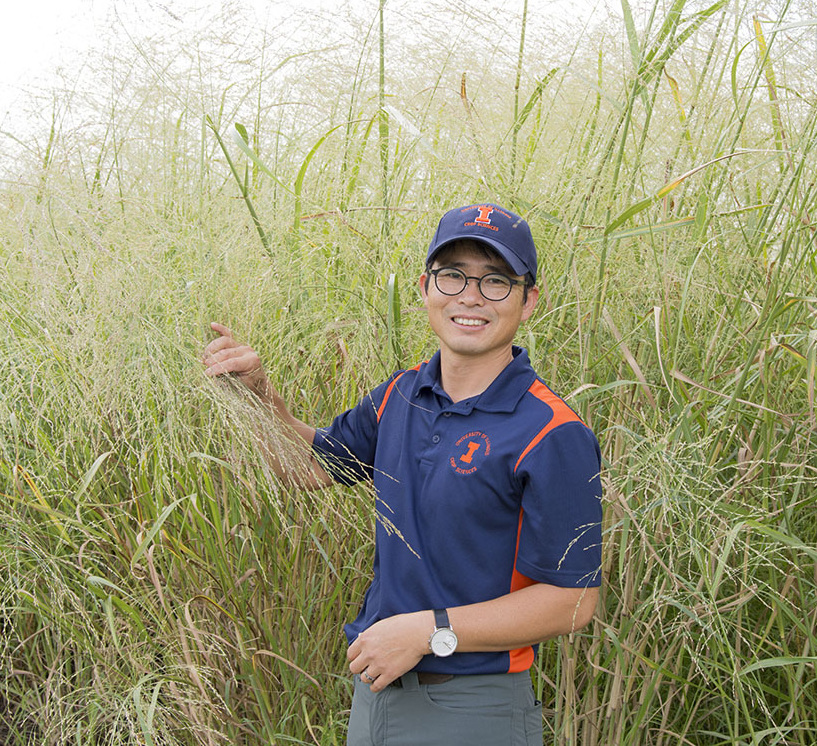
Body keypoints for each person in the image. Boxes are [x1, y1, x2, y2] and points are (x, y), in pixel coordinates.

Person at [203, 203, 602, 745]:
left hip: (471, 707)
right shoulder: (401, 394)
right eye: (453, 275)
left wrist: (428, 630)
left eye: (496, 281)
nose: (470, 296)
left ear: (529, 299)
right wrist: (257, 397)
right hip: (378, 694)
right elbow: (309, 467)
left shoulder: (551, 431)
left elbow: (573, 601)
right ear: (425, 287)